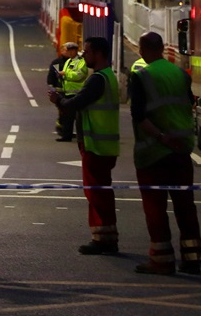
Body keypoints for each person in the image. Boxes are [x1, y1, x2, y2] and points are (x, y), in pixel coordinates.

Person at [131, 31, 201, 275]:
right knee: (185, 206)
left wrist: (161, 136)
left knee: (156, 208)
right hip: (181, 150)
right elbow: (188, 103)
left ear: (143, 50)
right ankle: (192, 259)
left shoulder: (142, 76)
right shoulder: (181, 74)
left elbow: (139, 116)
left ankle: (162, 260)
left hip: (154, 152)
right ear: (162, 48)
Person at [48, 36, 120, 255]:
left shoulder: (97, 79)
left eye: (87, 52)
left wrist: (58, 100)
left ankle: (101, 239)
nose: (83, 55)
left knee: (95, 193)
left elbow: (75, 104)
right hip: (104, 144)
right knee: (102, 192)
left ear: (98, 54)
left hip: (95, 144)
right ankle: (107, 236)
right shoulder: (108, 76)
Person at [47, 42, 79, 140]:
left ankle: (66, 132)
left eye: (69, 50)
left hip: (72, 92)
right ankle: (63, 130)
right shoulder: (57, 63)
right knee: (64, 113)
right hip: (60, 92)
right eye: (66, 50)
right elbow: (51, 78)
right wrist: (53, 91)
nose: (68, 52)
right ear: (61, 51)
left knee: (71, 114)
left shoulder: (75, 62)